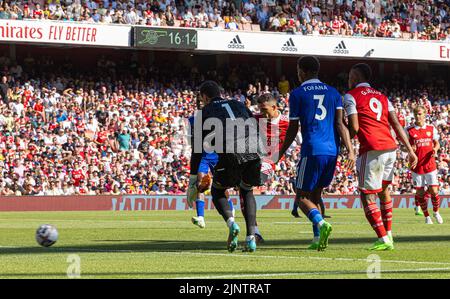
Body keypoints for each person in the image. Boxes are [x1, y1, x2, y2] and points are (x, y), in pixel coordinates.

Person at [278, 56, 355, 251]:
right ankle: (317, 238)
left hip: (312, 149)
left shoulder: (297, 94)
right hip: (332, 151)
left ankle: (321, 225)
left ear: (302, 71)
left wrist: (280, 152)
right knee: (316, 194)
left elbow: (293, 128)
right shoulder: (333, 93)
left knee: (302, 196)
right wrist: (351, 151)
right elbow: (340, 124)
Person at [344, 63, 418, 251]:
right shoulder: (383, 97)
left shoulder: (350, 96)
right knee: (384, 191)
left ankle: (383, 238)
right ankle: (389, 234)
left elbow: (354, 127)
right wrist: (409, 149)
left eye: (350, 75)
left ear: (355, 76)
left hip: (372, 148)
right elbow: (396, 124)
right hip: (390, 149)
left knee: (367, 196)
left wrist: (344, 142)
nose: (348, 78)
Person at [189, 81, 264, 252]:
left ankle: (232, 224)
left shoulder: (204, 112)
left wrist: (193, 178)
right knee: (247, 190)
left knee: (217, 191)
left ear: (205, 97)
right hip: (254, 150)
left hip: (231, 153)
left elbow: (197, 150)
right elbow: (255, 126)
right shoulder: (237, 103)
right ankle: (251, 237)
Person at [187, 98, 235, 229]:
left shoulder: (216, 117)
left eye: (202, 103)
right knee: (200, 184)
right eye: (198, 103)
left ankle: (231, 209)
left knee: (222, 187)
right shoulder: (192, 120)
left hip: (216, 155)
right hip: (202, 156)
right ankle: (201, 217)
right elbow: (192, 141)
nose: (200, 105)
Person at [406, 106, 443, 224]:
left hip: (430, 164)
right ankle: (427, 216)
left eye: (420, 113)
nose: (418, 116)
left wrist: (435, 150)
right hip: (416, 166)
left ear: (425, 114)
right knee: (420, 193)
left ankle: (436, 212)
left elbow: (437, 143)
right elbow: (402, 146)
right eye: (416, 113)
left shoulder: (432, 128)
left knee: (434, 191)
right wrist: (409, 150)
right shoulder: (409, 130)